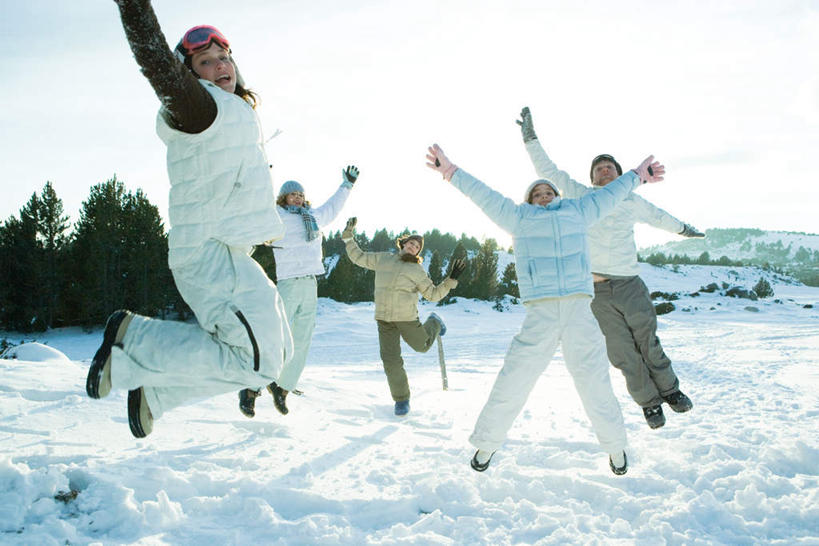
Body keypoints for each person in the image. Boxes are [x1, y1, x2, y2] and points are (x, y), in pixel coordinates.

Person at [85, 0, 293, 438]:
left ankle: (154, 396)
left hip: (230, 253)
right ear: (189, 72)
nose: (221, 66)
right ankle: (133, 340)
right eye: (205, 61)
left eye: (224, 57)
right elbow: (157, 64)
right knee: (258, 360)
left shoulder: (235, 112)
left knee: (277, 354)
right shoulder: (199, 108)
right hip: (208, 254)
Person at [426, 143, 666, 475]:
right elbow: (483, 195)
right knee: (514, 378)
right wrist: (451, 172)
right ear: (529, 200)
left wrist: (638, 176)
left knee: (594, 382)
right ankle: (486, 444)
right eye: (536, 192)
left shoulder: (579, 211)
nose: (543, 194)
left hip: (580, 309)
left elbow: (610, 195)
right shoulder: (518, 217)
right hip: (540, 312)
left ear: (557, 195)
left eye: (548, 190)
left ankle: (616, 448)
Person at [517, 107, 703, 429]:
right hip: (596, 291)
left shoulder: (631, 200)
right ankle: (649, 403)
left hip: (630, 283)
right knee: (621, 352)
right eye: (599, 169)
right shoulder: (580, 197)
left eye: (610, 168)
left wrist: (684, 229)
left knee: (648, 341)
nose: (605, 171)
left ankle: (671, 391)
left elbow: (661, 217)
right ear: (592, 178)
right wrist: (530, 138)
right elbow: (549, 170)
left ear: (619, 174)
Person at [238, 168, 359, 418]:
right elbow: (254, 221)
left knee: (302, 339)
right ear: (283, 198)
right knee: (276, 337)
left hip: (310, 283)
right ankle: (250, 389)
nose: (297, 198)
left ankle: (282, 387)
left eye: (300, 194)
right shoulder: (277, 218)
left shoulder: (312, 217)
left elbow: (332, 208)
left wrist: (346, 185)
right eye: (292, 194)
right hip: (289, 283)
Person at [341, 219, 465, 416]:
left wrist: (450, 281)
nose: (413, 247)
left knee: (422, 346)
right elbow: (359, 257)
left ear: (418, 252)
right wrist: (348, 238)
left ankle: (433, 322)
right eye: (411, 243)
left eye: (417, 247)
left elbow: (432, 294)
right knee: (391, 361)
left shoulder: (417, 270)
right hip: (384, 320)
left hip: (407, 319)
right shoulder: (384, 259)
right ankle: (401, 399)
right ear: (403, 243)